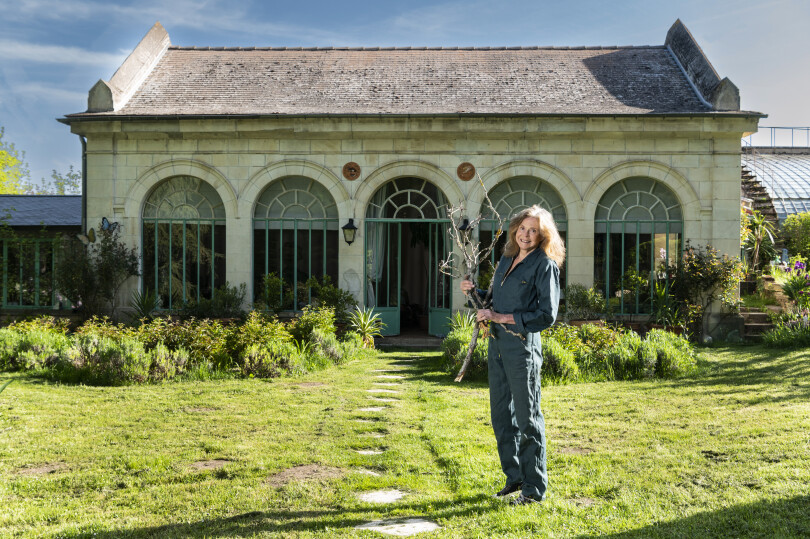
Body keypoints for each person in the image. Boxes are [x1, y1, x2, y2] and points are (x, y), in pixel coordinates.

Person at [460, 205, 565, 505]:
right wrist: (472, 291)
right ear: (515, 230)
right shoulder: (506, 260)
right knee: (501, 417)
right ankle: (515, 477)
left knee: (528, 418)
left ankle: (534, 490)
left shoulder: (545, 266)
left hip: (522, 348)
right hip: (497, 346)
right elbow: (491, 303)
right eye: (522, 229)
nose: (526, 235)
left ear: (543, 235)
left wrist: (503, 318)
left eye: (533, 230)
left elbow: (547, 315)